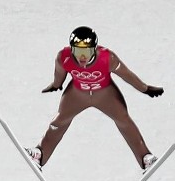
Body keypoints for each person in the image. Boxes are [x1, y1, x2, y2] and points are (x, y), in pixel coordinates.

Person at [26, 26, 164, 172]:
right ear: (72, 49)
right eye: (78, 51)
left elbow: (126, 74)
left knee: (124, 120)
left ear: (94, 49)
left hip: (105, 95)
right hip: (77, 95)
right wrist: (56, 84)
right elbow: (59, 73)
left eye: (86, 51)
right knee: (59, 121)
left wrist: (144, 88)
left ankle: (145, 157)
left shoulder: (107, 58)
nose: (82, 57)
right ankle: (40, 154)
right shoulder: (63, 57)